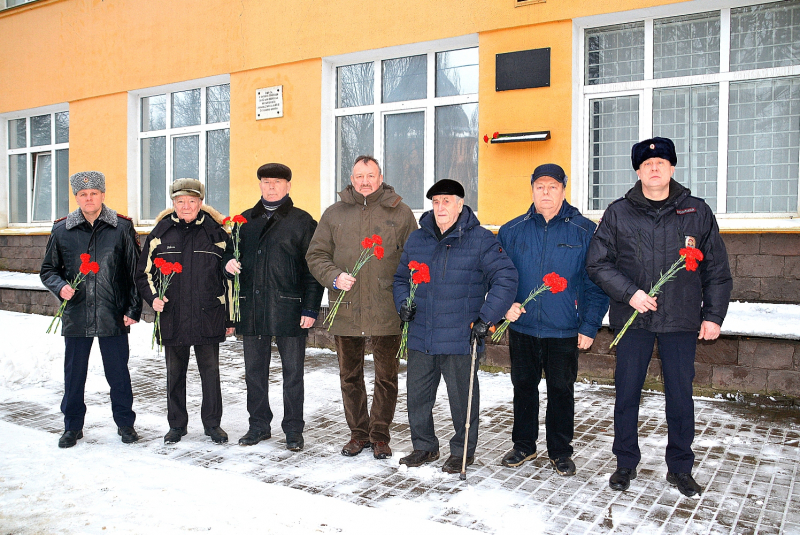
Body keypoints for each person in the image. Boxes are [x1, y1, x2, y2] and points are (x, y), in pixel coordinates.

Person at [586, 137, 732, 497]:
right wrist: (630, 293)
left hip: (680, 320)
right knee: (627, 393)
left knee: (680, 396)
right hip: (632, 320)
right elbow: (597, 263)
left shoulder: (696, 211)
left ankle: (680, 467)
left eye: (662, 163)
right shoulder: (618, 212)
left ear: (672, 168)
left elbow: (717, 269)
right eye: (647, 164)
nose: (654, 168)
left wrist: (713, 315)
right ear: (638, 171)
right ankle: (625, 464)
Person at [393, 179, 518, 473]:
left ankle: (462, 451)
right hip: (422, 333)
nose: (440, 208)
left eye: (447, 201)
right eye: (436, 202)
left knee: (462, 399)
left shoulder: (480, 239)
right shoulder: (417, 239)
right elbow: (400, 279)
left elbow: (506, 278)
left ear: (460, 204)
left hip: (462, 336)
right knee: (417, 396)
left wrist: (487, 318)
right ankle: (423, 446)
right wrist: (402, 302)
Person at [497, 164, 609, 476]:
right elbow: (497, 277)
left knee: (561, 389)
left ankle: (560, 450)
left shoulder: (585, 231)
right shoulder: (511, 231)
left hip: (564, 329)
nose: (546, 193)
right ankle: (524, 444)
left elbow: (595, 284)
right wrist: (505, 306)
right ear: (532, 189)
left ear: (563, 189)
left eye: (553, 187)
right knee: (523, 386)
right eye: (540, 187)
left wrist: (588, 325)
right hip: (523, 327)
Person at [306, 155, 417, 460]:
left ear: (380, 178)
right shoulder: (334, 214)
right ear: (351, 179)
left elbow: (415, 259)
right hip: (347, 309)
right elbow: (316, 255)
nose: (365, 181)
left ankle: (380, 435)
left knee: (386, 376)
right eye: (359, 176)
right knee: (349, 376)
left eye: (371, 176)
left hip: (386, 309)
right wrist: (334, 276)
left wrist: (410, 297)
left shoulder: (401, 212)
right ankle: (358, 434)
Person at [224, 163, 324, 450]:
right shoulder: (243, 221)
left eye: (277, 182)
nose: (271, 187)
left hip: (289, 309)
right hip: (252, 307)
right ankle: (258, 425)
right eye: (266, 182)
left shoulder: (302, 221)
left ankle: (293, 429)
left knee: (293, 373)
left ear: (288, 186)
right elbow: (228, 256)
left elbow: (313, 269)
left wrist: (310, 308)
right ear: (260, 185)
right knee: (254, 371)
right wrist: (227, 264)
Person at [40, 171, 143, 448]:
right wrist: (60, 286)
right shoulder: (62, 230)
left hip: (113, 311)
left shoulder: (121, 228)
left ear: (102, 195)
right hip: (77, 312)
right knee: (74, 373)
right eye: (83, 194)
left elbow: (134, 272)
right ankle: (72, 426)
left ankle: (125, 423)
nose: (89, 198)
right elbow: (48, 270)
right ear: (76, 197)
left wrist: (133, 308)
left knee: (118, 373)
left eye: (94, 193)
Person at [135, 178, 234, 445]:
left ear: (201, 202)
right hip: (173, 316)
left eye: (191, 201)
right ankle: (177, 425)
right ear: (173, 204)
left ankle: (213, 425)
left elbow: (230, 278)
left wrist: (230, 318)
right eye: (180, 201)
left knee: (210, 374)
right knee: (174, 374)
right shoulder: (160, 234)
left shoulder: (218, 233)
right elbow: (143, 274)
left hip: (208, 315)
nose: (186, 206)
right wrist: (153, 298)